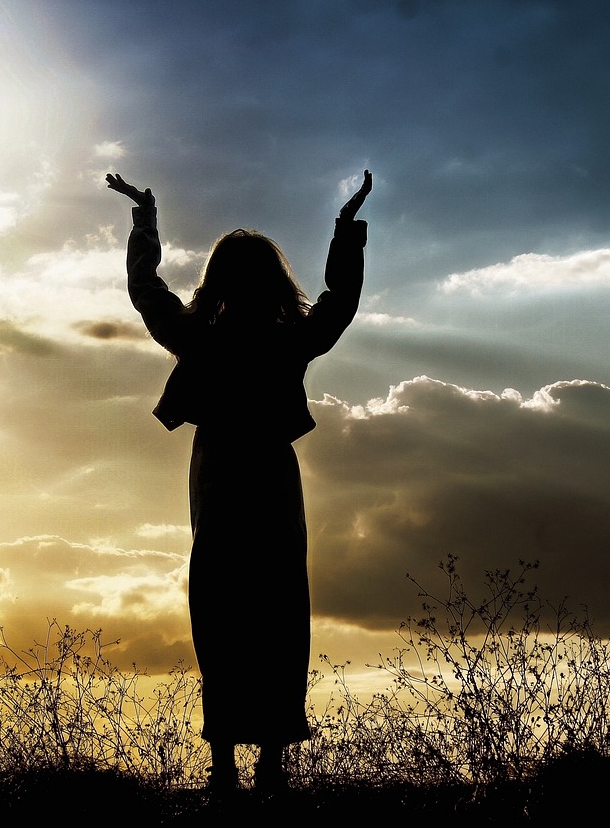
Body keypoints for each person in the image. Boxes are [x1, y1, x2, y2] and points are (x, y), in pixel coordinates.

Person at [105, 169, 372, 794]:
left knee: (222, 608)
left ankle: (226, 763)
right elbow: (340, 302)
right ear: (273, 280)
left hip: (222, 470)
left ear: (219, 280)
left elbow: (146, 291)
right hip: (271, 474)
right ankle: (269, 764)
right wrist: (346, 228)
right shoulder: (288, 341)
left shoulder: (201, 338)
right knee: (277, 606)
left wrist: (146, 221)